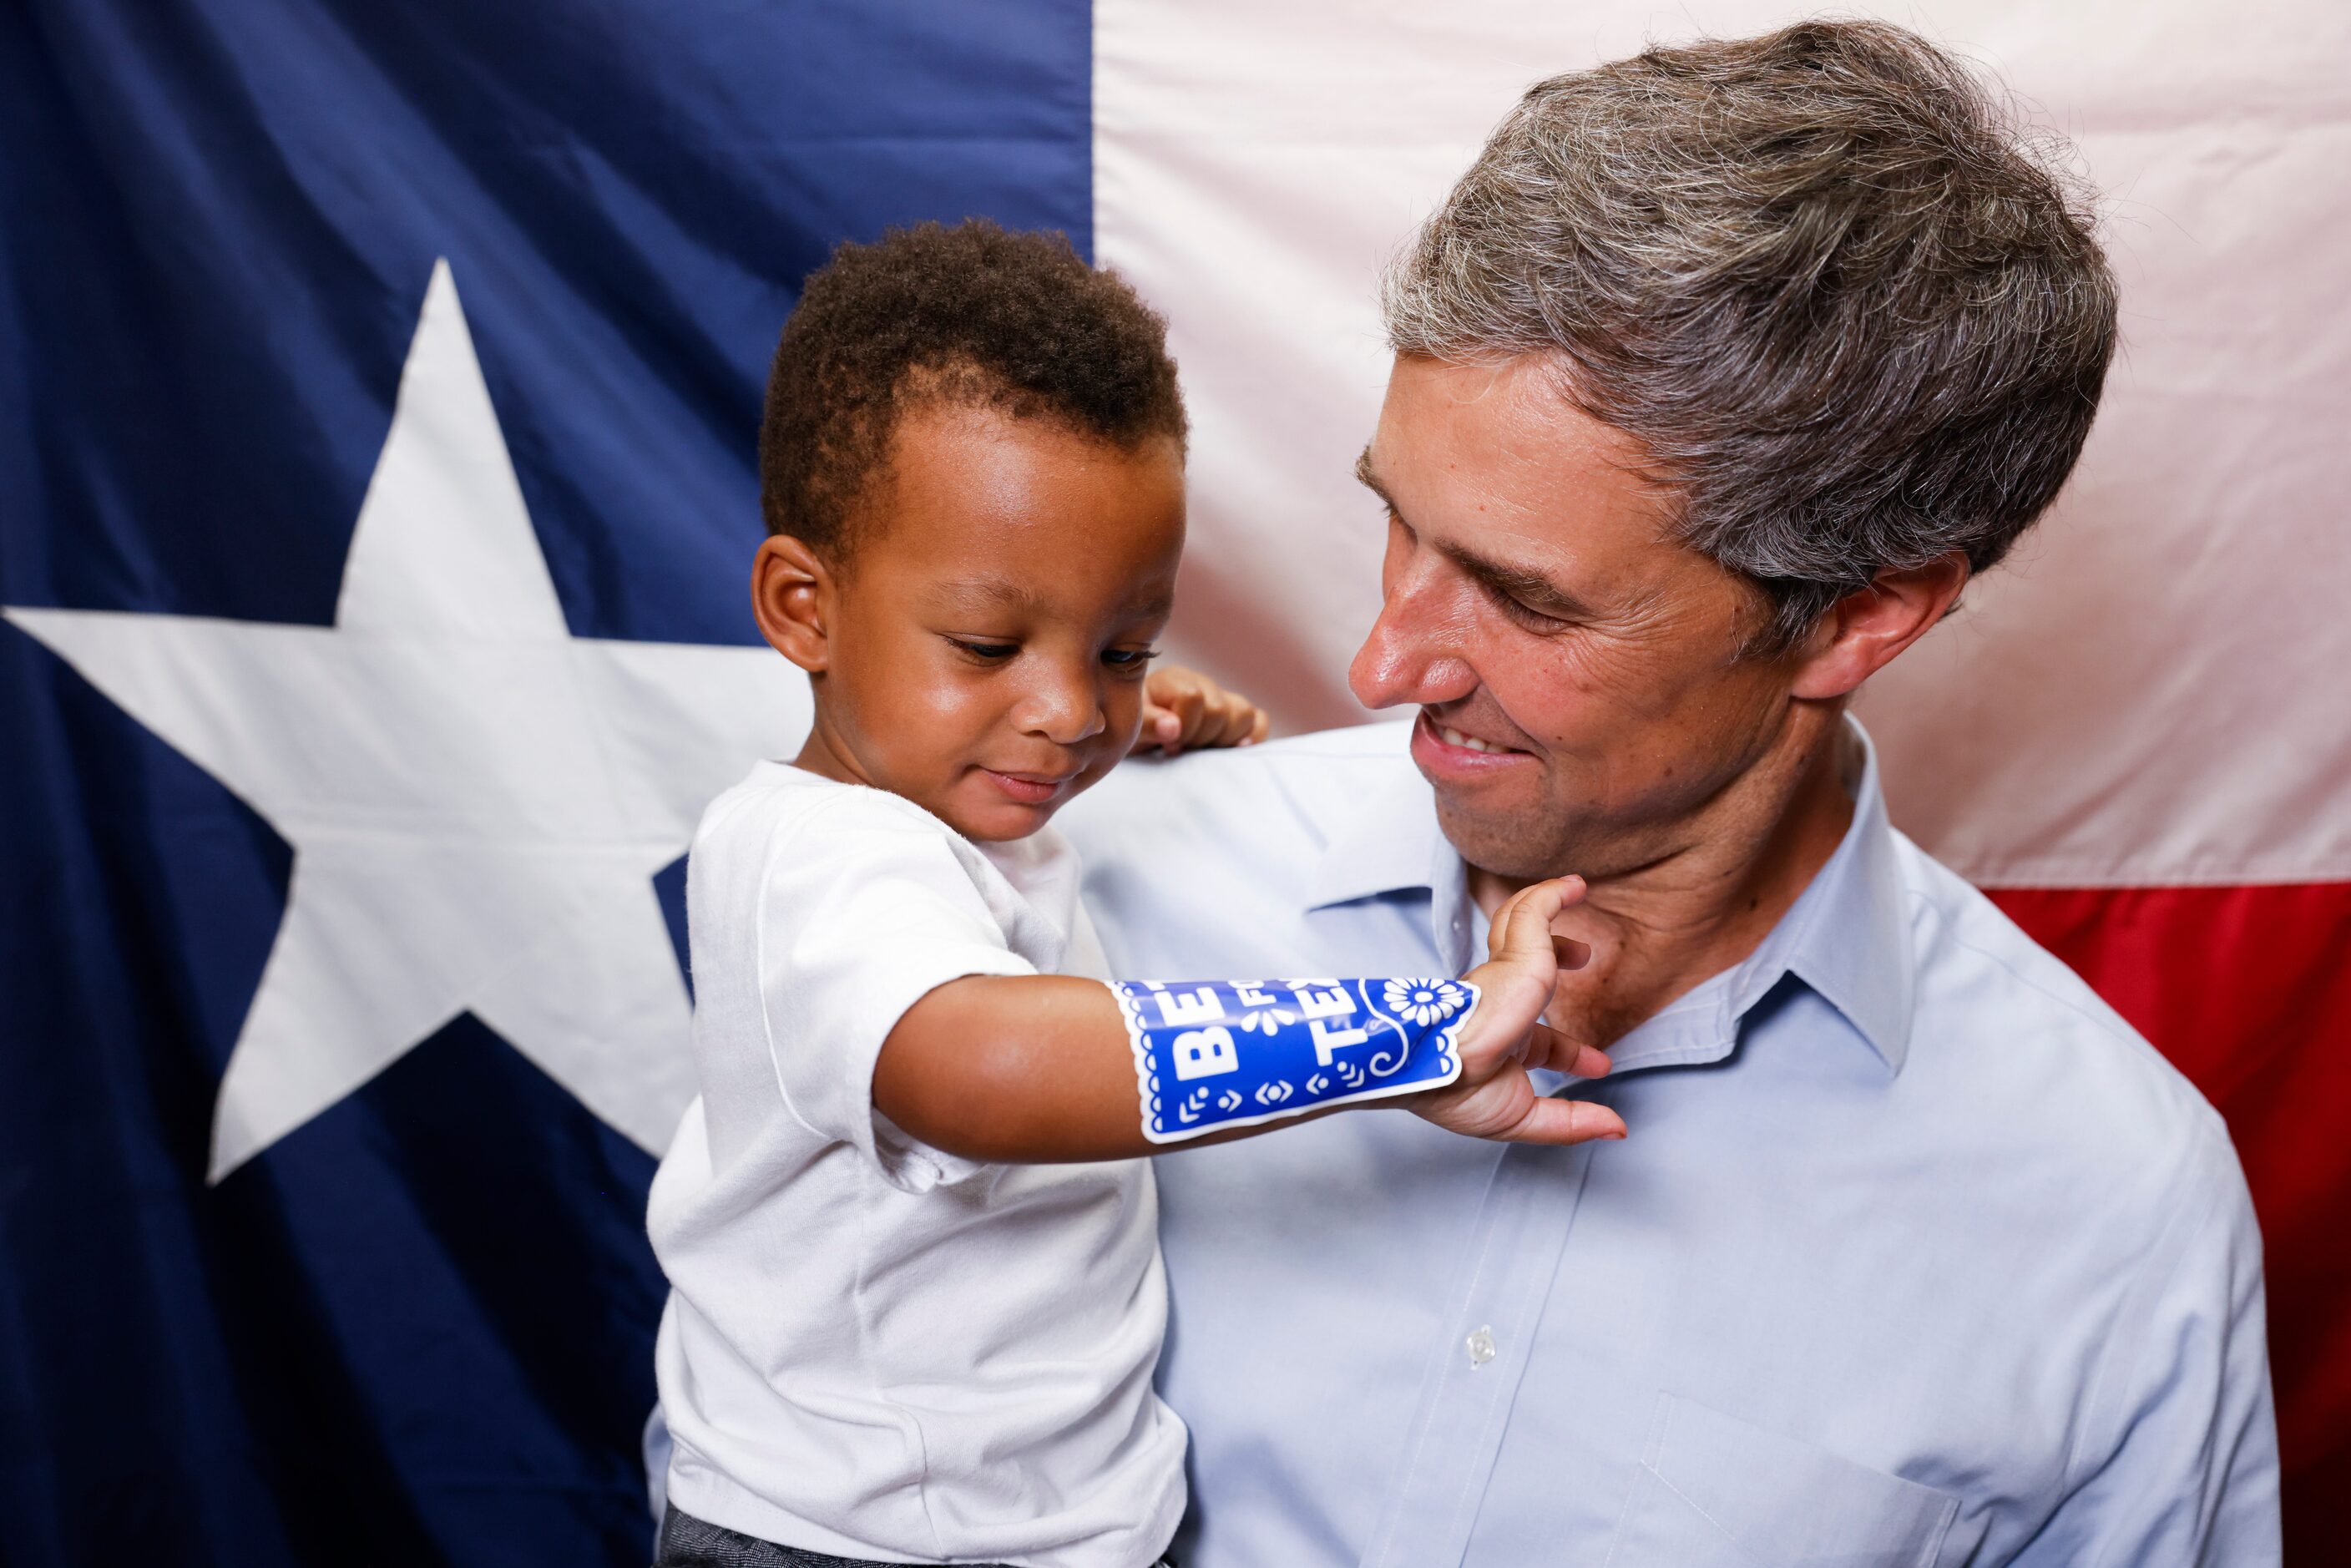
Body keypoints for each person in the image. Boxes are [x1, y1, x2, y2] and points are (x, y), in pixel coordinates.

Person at [1057, 20, 2280, 1565]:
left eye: (1528, 598)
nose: (1379, 663)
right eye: (1399, 524)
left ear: (1858, 615)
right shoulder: (1081, 888)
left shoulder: (2117, 1215)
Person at [643, 221, 1620, 1568]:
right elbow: (979, 1065)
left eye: (1120, 645)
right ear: (803, 606)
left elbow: (1037, 732)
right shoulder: (810, 854)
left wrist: (1134, 720)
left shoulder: (955, 797)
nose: (1062, 711)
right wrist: (1414, 1033)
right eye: (989, 644)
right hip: (863, 1546)